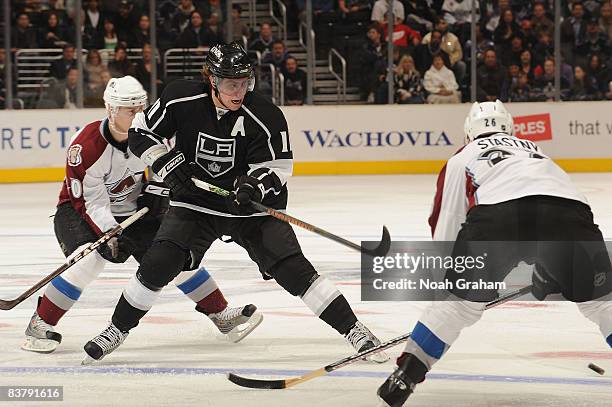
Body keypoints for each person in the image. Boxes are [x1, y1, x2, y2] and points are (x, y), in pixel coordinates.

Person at [83, 42, 388, 364]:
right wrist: (169, 166)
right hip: (195, 204)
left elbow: (280, 166)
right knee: (159, 262)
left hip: (248, 210)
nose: (239, 90)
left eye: (244, 82)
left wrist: (254, 184)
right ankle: (116, 329)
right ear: (211, 79)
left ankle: (356, 331)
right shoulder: (181, 97)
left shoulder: (265, 114)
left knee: (294, 270)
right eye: (231, 83)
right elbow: (143, 134)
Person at [376, 100, 612, 407]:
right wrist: (551, 269)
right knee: (601, 304)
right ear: (510, 128)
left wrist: (450, 277)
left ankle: (403, 379)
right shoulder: (535, 151)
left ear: (468, 132)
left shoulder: (464, 156)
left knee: (456, 307)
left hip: (498, 218)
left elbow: (446, 217)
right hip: (570, 217)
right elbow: (552, 207)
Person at [22, 76, 261, 354]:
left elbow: (166, 166)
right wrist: (111, 233)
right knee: (87, 261)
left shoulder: (152, 132)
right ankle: (40, 323)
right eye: (130, 110)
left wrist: (159, 192)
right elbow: (90, 203)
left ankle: (221, 315)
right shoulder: (86, 146)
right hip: (80, 213)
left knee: (172, 254)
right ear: (111, 110)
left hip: (136, 210)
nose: (138, 116)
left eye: (141, 109)